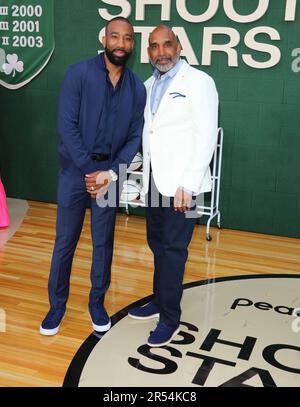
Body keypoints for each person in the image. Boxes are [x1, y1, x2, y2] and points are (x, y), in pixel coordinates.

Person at [40, 17, 146, 336]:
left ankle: (96, 304)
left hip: (110, 177)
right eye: (115, 37)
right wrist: (90, 171)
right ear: (104, 40)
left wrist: (110, 174)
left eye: (127, 39)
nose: (121, 44)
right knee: (65, 242)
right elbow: (67, 127)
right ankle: (56, 307)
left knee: (104, 243)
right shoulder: (78, 74)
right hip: (75, 172)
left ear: (132, 44)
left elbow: (134, 137)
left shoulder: (137, 88)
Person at [128, 26, 219, 347]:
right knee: (156, 243)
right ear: (148, 52)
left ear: (179, 47)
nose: (161, 51)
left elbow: (205, 135)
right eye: (154, 47)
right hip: (155, 182)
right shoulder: (148, 84)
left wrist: (188, 184)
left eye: (167, 45)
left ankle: (170, 317)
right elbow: (148, 136)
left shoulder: (199, 82)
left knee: (174, 250)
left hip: (183, 186)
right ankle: (159, 299)